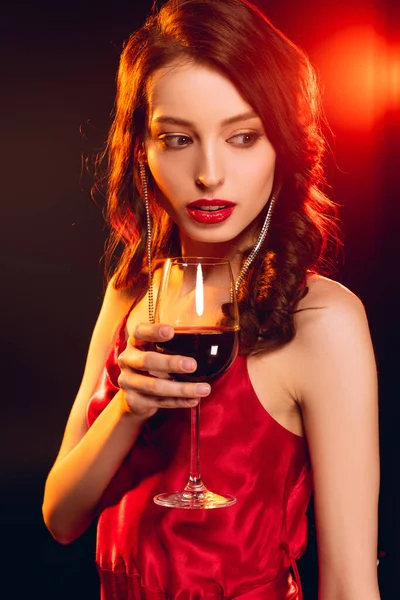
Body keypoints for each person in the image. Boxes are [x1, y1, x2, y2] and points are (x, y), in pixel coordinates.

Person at [42, 1, 380, 598]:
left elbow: (350, 584)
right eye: (177, 139)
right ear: (141, 151)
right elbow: (61, 517)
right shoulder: (132, 293)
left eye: (243, 136)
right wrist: (129, 406)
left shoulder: (322, 321)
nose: (209, 174)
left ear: (283, 146)